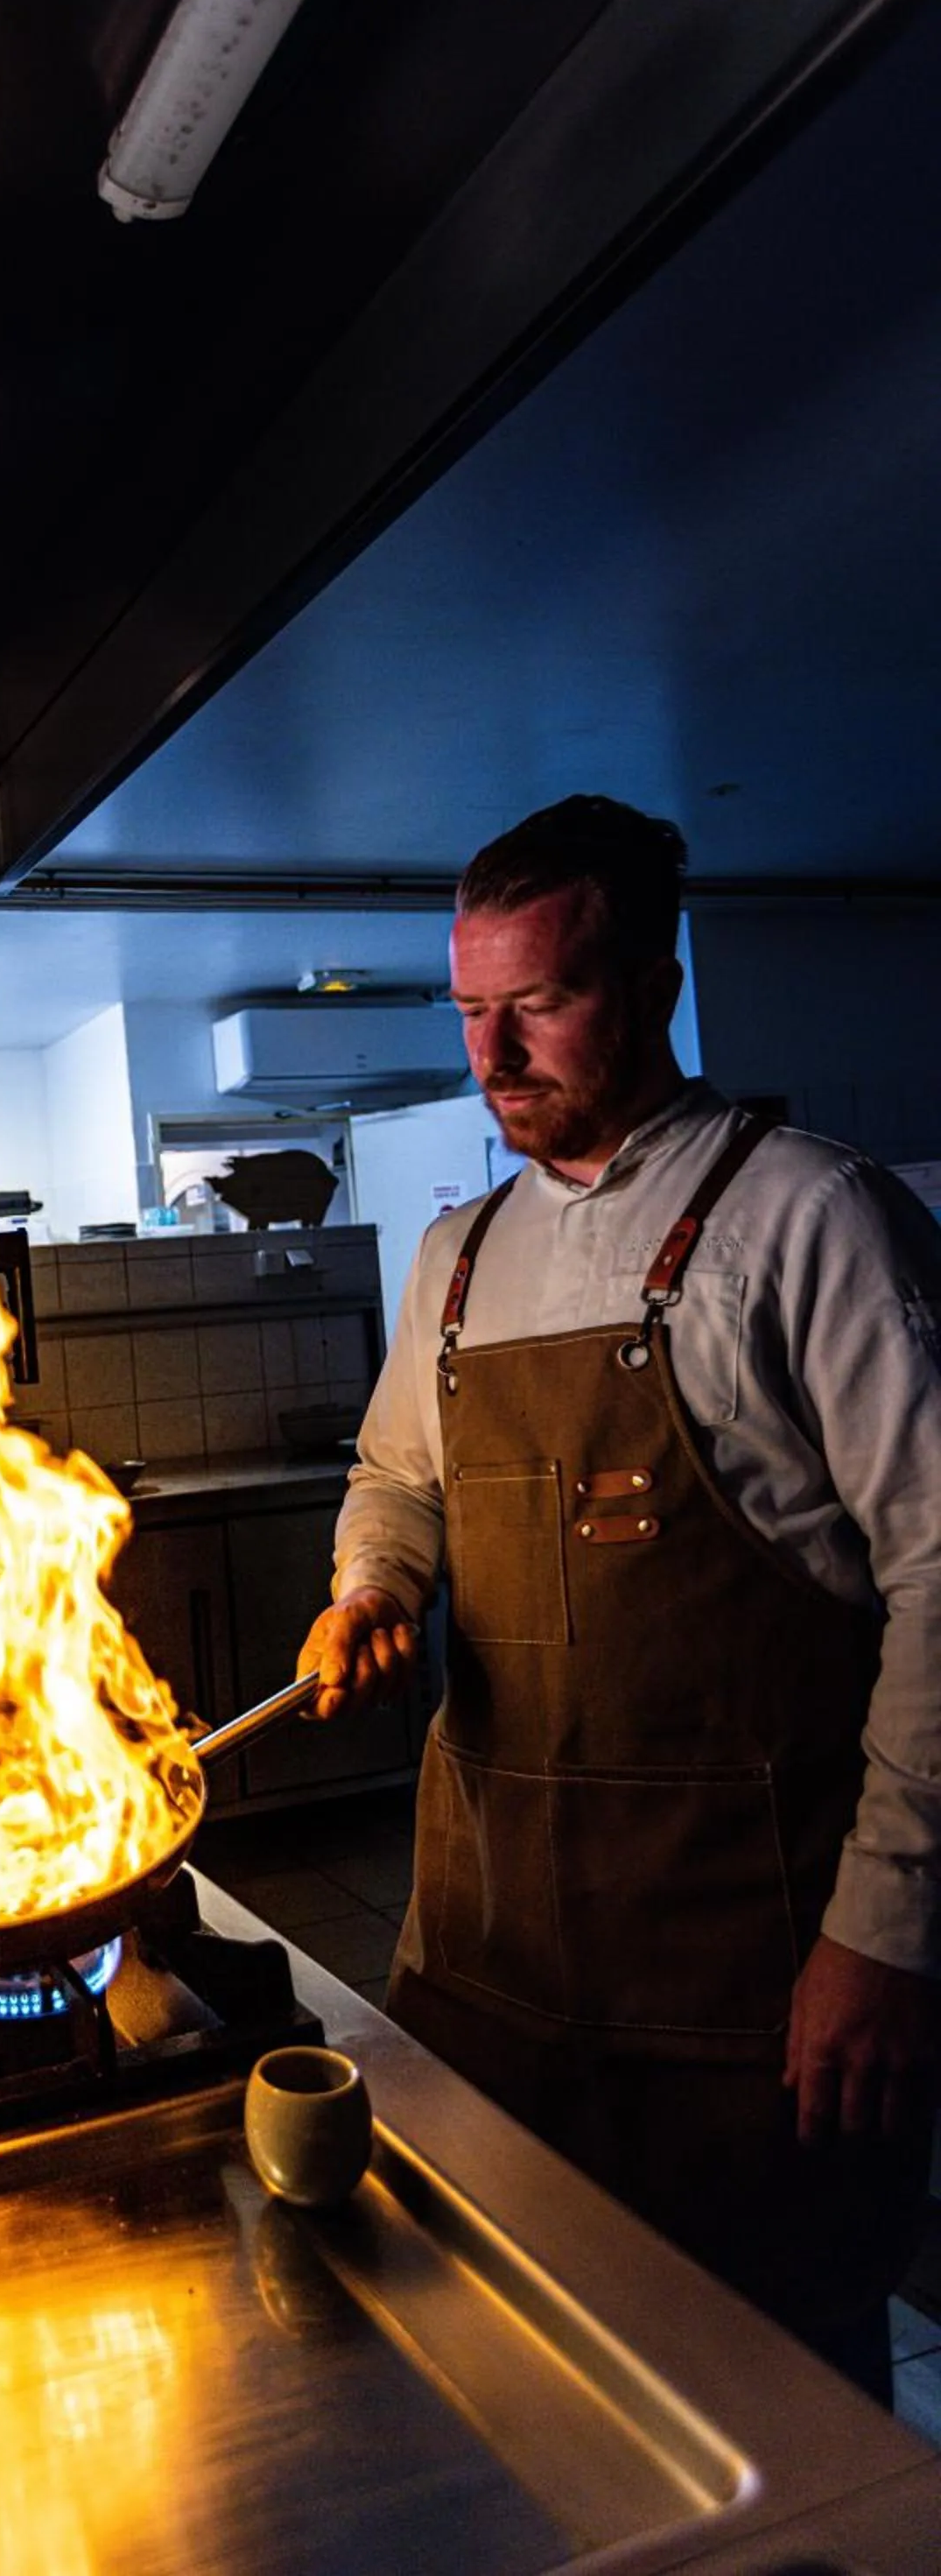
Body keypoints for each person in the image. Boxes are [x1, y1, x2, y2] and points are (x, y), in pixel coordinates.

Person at [299, 794, 941, 2399]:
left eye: (540, 1004)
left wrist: (883, 1935)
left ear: (653, 988)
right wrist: (375, 1579)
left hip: (747, 1984)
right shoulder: (453, 1258)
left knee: (775, 2413)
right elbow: (397, 1478)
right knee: (513, 2390)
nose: (494, 1057)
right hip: (491, 1970)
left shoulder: (813, 1222)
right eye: (470, 1012)